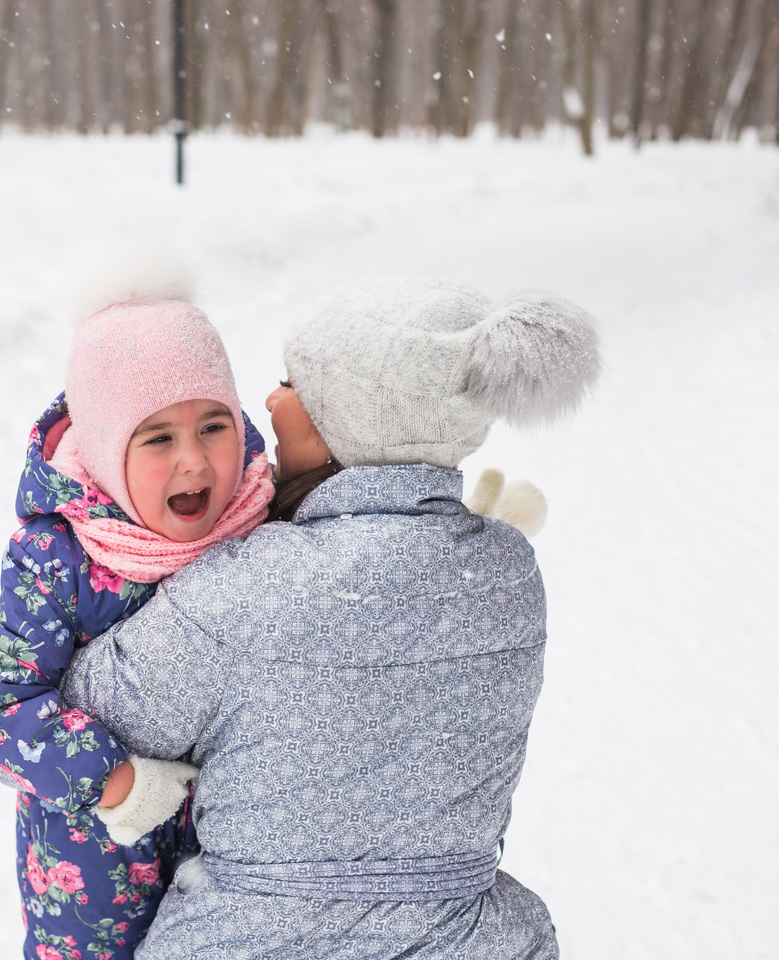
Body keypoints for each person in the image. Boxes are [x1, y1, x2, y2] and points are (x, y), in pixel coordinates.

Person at [60, 274, 602, 959]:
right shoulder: (508, 571)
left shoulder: (245, 586)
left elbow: (95, 706)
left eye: (294, 384)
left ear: (347, 419)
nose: (271, 399)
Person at [0, 236, 275, 960]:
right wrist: (113, 780)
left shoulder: (261, 517)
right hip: (92, 871)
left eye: (213, 426)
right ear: (104, 448)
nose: (194, 459)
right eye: (157, 438)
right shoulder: (59, 557)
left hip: (232, 850)